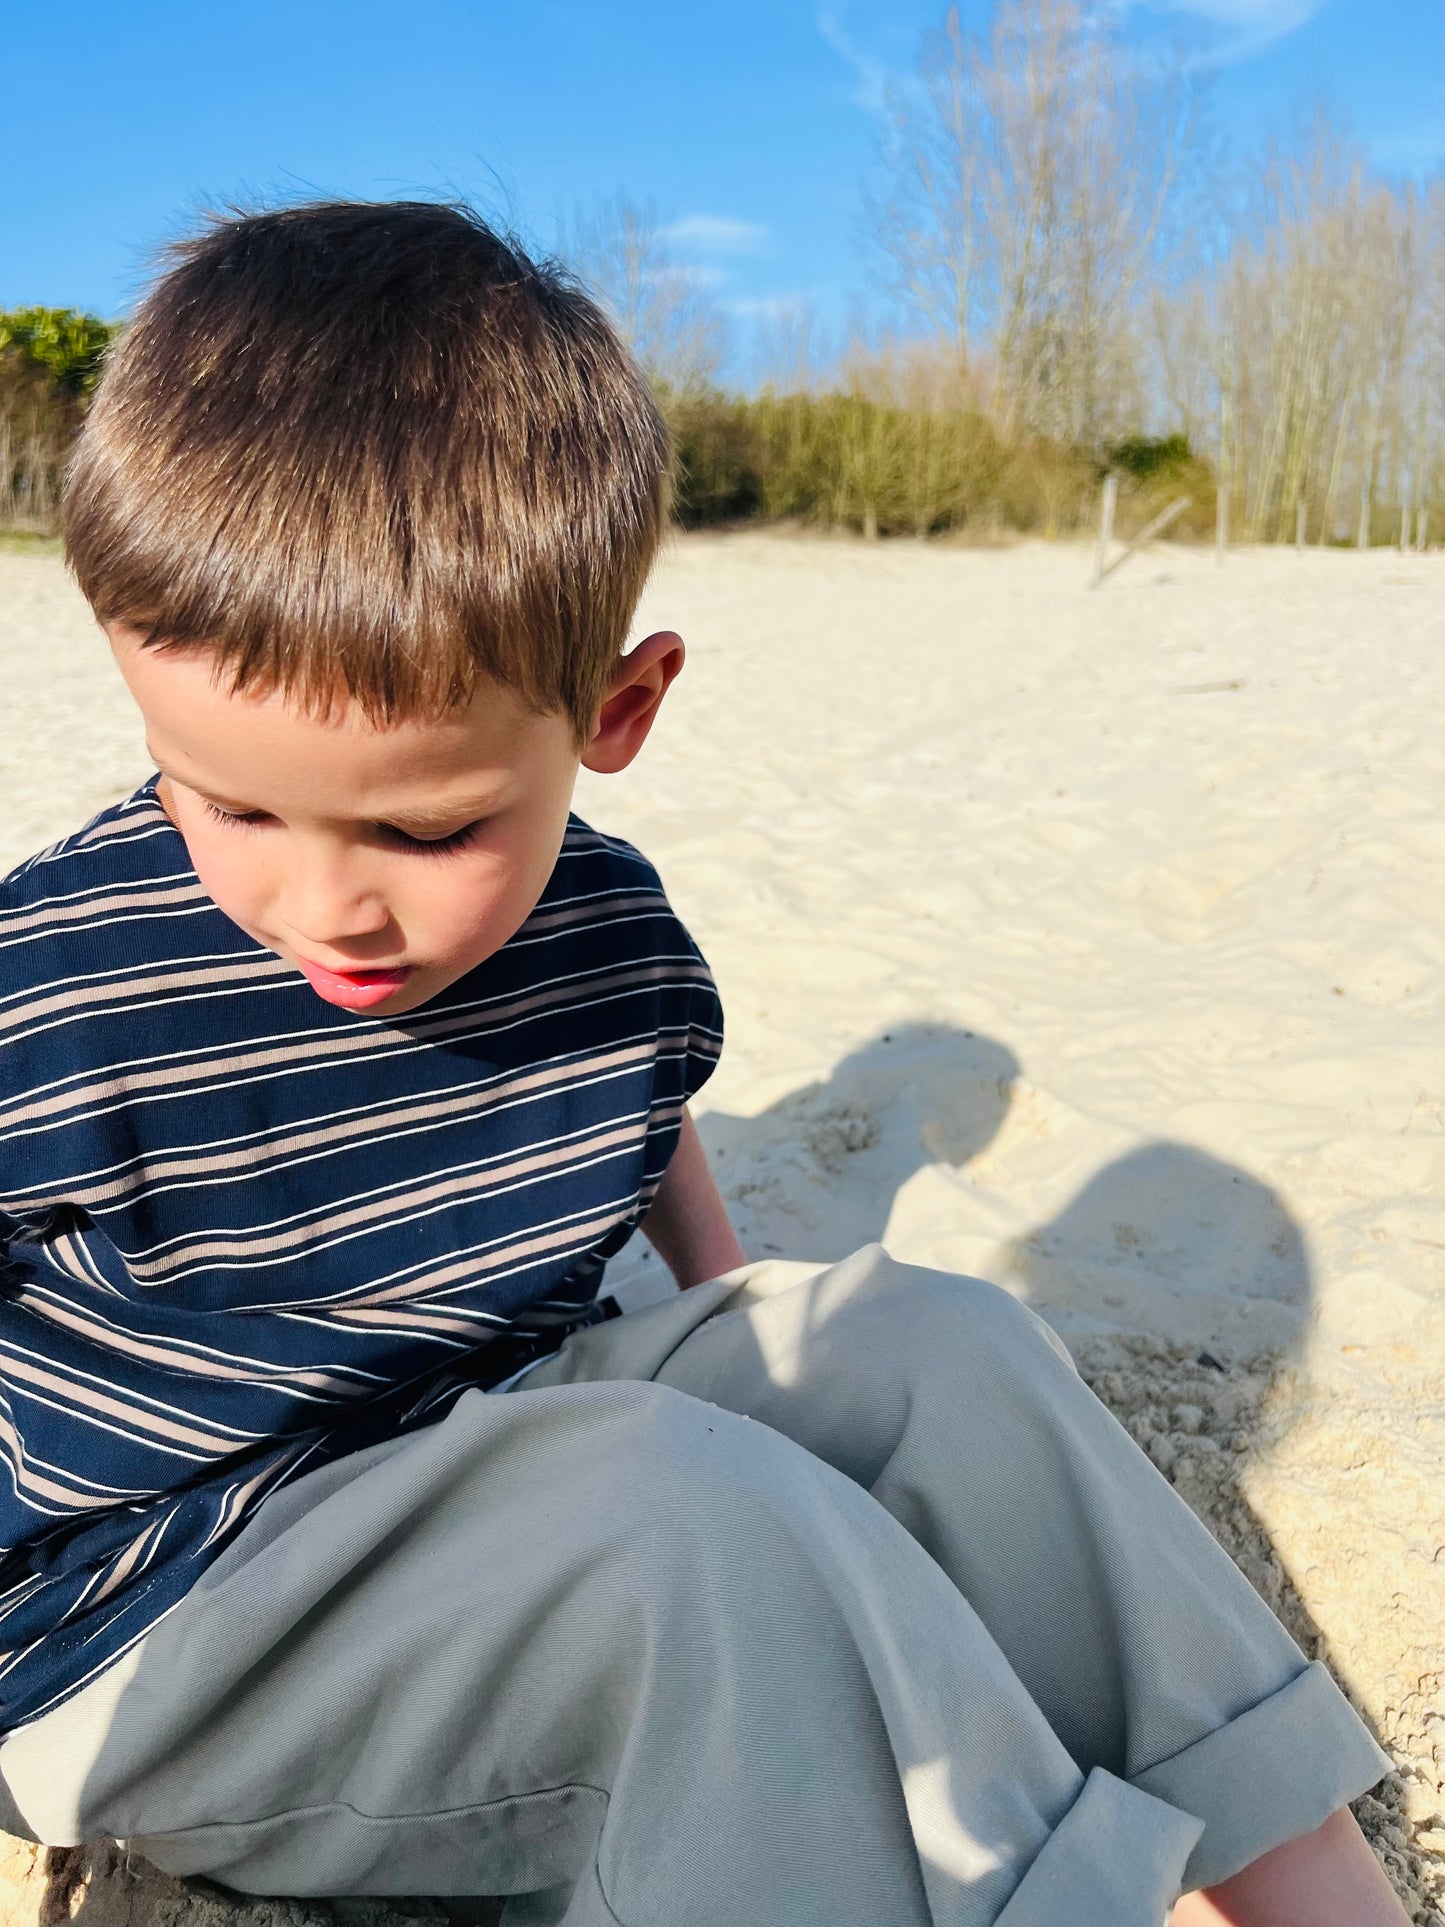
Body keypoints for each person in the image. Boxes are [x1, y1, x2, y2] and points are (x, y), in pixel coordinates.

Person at [0, 201, 1406, 1927]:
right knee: (688, 1523)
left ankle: (1302, 1880)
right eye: (225, 802)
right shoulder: (55, 978)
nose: (325, 903)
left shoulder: (603, 922)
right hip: (164, 1624)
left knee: (921, 1342)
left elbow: (633, 1096)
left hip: (483, 1455)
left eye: (427, 824)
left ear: (615, 712)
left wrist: (740, 1320)